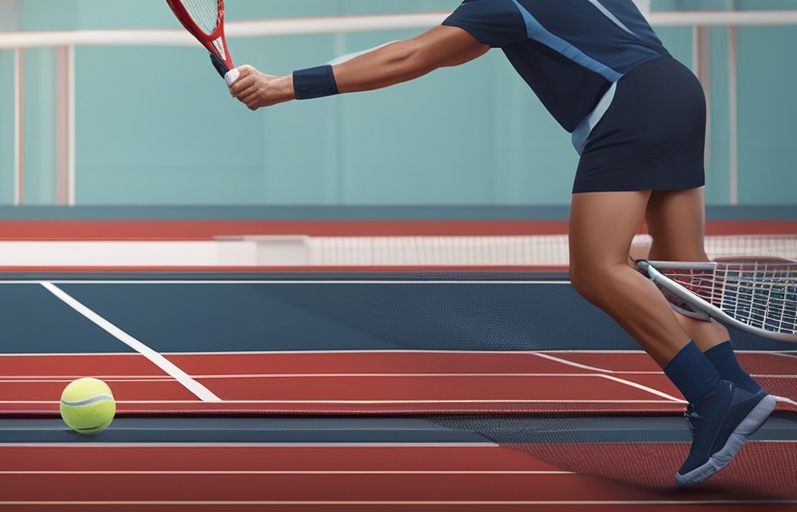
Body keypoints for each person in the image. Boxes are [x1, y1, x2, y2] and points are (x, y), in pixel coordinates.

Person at [227, 0, 776, 488]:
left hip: (628, 103)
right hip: (677, 88)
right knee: (684, 271)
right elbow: (444, 49)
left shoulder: (504, 2)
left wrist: (284, 85)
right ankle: (735, 384)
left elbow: (410, 57)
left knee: (597, 269)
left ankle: (710, 395)